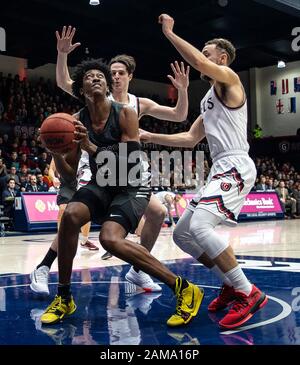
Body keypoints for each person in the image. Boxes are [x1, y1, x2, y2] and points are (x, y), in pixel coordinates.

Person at [40, 59, 203, 327]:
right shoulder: (77, 120)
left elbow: (130, 158)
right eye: (89, 77)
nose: (96, 78)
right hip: (101, 184)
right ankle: (64, 296)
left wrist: (90, 147)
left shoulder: (126, 113)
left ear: (106, 86)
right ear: (80, 89)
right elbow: (69, 176)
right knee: (70, 215)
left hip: (131, 184)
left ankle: (184, 288)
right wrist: (56, 153)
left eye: (100, 76)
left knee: (109, 239)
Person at [138, 13, 268, 330]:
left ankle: (248, 292)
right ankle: (228, 280)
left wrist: (169, 33)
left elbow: (196, 59)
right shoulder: (209, 97)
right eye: (205, 54)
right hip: (220, 169)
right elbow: (192, 138)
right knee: (183, 233)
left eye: (208, 54)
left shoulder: (229, 79)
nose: (202, 58)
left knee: (200, 227)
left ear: (221, 58)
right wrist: (151, 137)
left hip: (236, 165)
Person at [55, 26, 189, 291]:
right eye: (111, 72)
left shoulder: (134, 106)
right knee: (70, 214)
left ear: (128, 77)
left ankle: (140, 269)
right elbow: (63, 81)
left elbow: (178, 116)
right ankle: (54, 275)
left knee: (154, 213)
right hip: (98, 172)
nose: (113, 77)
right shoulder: (87, 100)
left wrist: (183, 90)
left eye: (118, 73)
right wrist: (62, 56)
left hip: (128, 171)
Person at [30, 154, 98, 296]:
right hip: (72, 178)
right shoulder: (68, 142)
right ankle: (44, 267)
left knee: (109, 235)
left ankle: (138, 270)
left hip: (97, 178)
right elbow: (53, 167)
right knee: (66, 213)